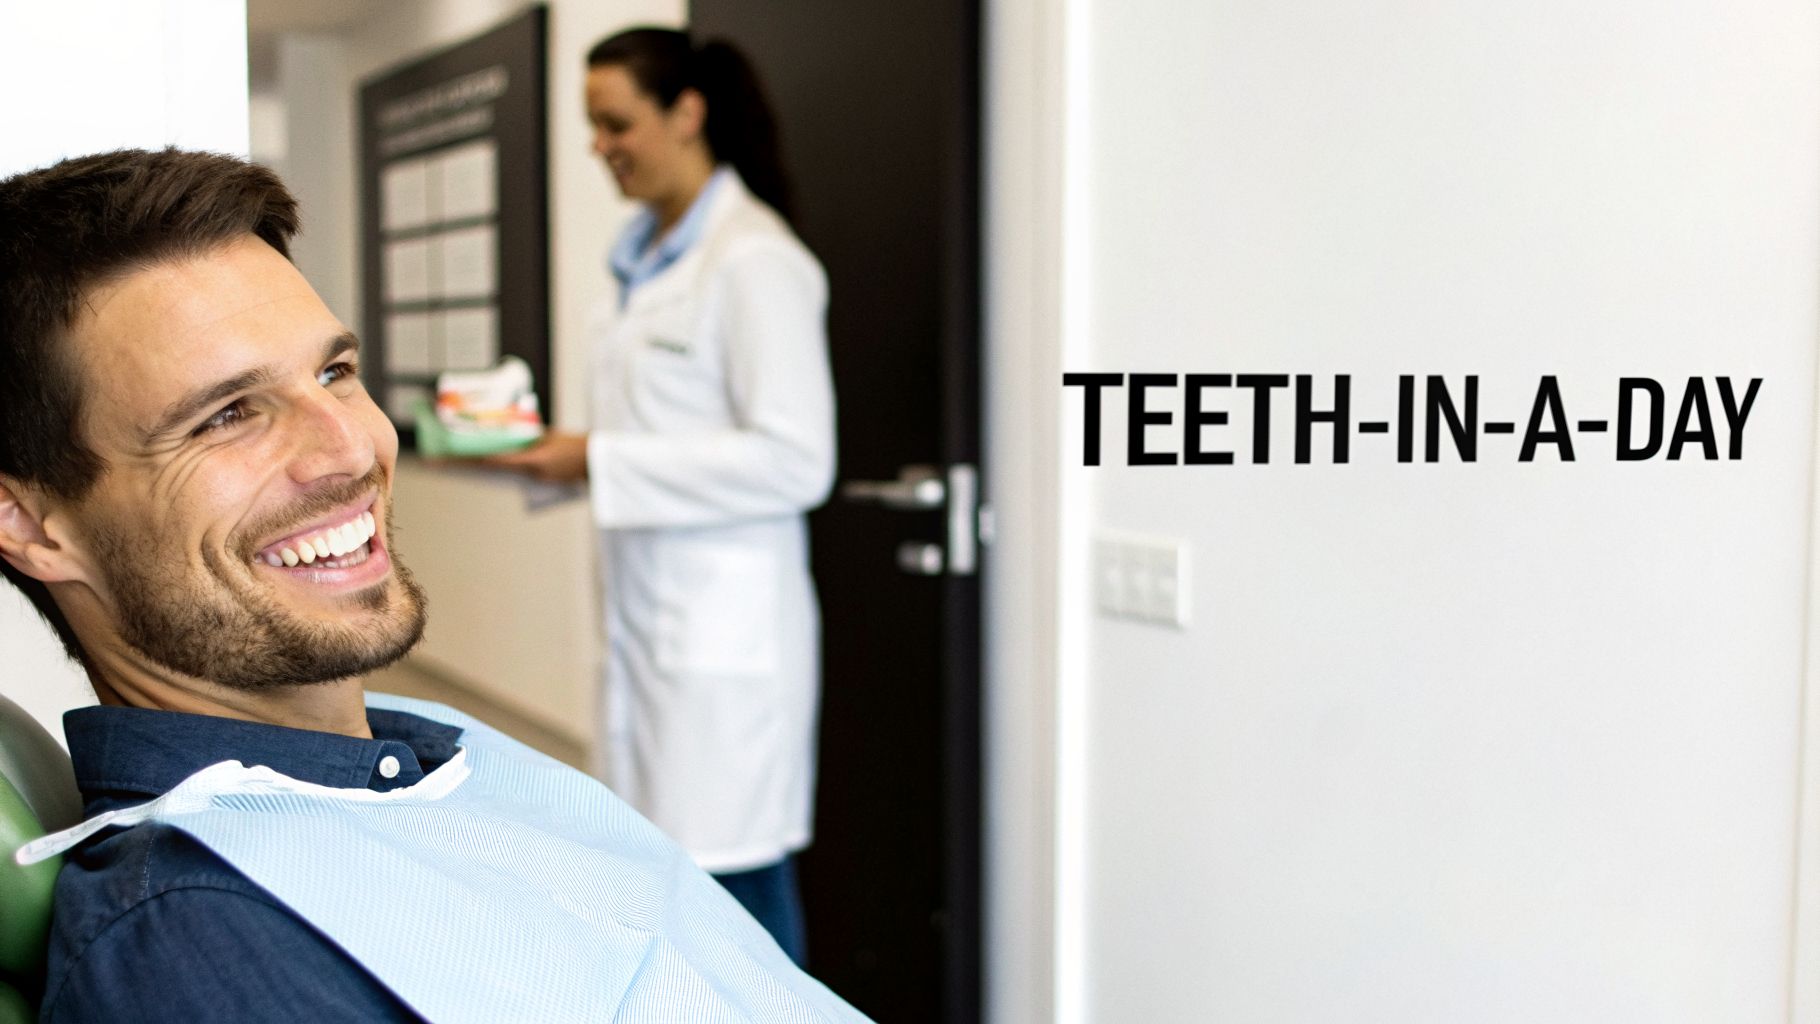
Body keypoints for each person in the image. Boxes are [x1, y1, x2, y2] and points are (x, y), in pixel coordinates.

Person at [0, 147, 865, 1023]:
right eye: (227, 415)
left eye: (335, 372)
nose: (352, 448)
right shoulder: (203, 938)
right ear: (29, 524)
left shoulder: (427, 753)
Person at [484, 28, 835, 964]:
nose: (600, 146)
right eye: (592, 126)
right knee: (671, 877)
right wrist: (544, 457)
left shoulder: (754, 261)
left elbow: (800, 460)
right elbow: (649, 436)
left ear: (687, 114)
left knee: (740, 895)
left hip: (723, 645)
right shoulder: (641, 260)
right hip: (650, 623)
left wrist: (597, 458)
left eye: (616, 123)